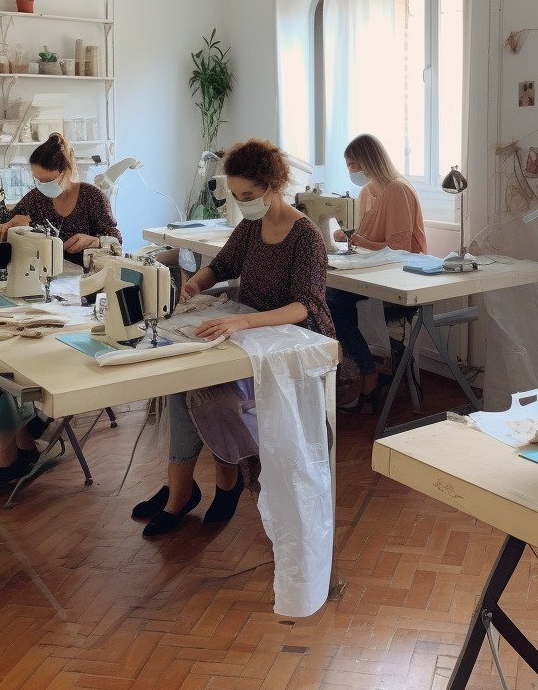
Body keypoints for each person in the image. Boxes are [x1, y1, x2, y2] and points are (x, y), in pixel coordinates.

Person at [131, 138, 334, 537]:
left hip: (293, 339)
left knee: (207, 393)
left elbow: (306, 306)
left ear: (275, 185)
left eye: (249, 195)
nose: (244, 203)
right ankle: (182, 489)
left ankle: (219, 484)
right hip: (252, 329)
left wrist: (242, 324)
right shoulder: (251, 225)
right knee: (179, 379)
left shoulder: (305, 236)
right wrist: (190, 289)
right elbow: (222, 265)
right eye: (238, 196)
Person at [0, 134, 122, 503]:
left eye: (47, 178)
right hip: (49, 290)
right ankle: (18, 439)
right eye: (37, 178)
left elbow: (116, 239)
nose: (42, 186)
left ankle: (17, 446)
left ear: (66, 172)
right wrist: (8, 223)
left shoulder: (93, 197)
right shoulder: (36, 199)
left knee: (12, 357)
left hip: (85, 295)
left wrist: (93, 240)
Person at [324, 134, 426, 413]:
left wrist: (355, 239)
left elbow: (400, 248)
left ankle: (367, 373)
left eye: (353, 164)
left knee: (331, 303)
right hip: (373, 273)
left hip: (400, 277)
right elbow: (363, 238)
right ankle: (361, 370)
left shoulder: (398, 190)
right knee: (321, 298)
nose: (351, 171)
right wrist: (347, 236)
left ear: (368, 161)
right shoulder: (367, 191)